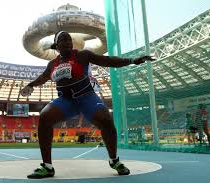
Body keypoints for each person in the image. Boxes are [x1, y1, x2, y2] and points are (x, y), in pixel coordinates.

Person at [20, 31, 155, 179]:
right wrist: (31, 85)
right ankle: (47, 167)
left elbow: (108, 60)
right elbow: (43, 77)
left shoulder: (82, 55)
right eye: (62, 40)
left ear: (71, 43)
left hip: (87, 97)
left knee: (106, 119)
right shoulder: (53, 64)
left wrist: (131, 60)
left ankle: (114, 161)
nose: (66, 42)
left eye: (68, 39)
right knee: (45, 116)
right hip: (66, 101)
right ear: (57, 45)